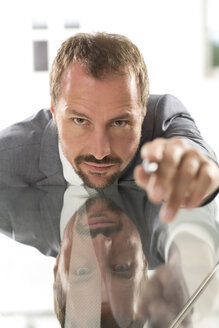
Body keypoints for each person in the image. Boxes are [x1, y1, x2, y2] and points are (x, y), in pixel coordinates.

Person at [0, 32, 218, 222]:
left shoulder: (162, 117)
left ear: (143, 112)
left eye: (119, 123)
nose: (100, 152)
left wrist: (198, 175)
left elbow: (193, 152)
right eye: (80, 121)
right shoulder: (8, 156)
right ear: (54, 112)